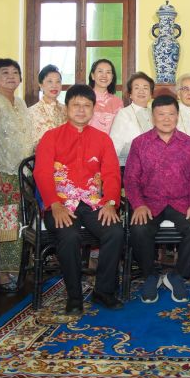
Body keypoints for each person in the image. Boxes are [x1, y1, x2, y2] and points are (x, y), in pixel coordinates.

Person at [34, 84, 124, 315]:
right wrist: (54, 204)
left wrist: (111, 202)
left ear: (93, 109)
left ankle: (103, 290)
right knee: (69, 234)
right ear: (67, 108)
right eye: (76, 105)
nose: (81, 110)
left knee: (114, 231)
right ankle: (74, 296)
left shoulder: (103, 139)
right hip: (60, 204)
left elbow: (112, 173)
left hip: (94, 202)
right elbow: (42, 173)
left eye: (87, 105)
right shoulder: (51, 137)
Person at [126, 95, 190, 303]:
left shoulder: (189, 144)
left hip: (181, 202)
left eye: (171, 114)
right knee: (139, 227)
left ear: (177, 116)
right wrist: (138, 204)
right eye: (161, 114)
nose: (166, 118)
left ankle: (177, 275)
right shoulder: (140, 143)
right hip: (150, 202)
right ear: (153, 117)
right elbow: (131, 179)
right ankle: (150, 275)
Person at [0, 58, 35, 293]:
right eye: (5, 72)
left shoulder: (20, 102)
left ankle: (18, 269)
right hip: (1, 173)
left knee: (20, 222)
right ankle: (4, 274)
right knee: (6, 223)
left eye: (15, 72)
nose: (11, 76)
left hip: (23, 174)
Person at [110, 72, 154, 169]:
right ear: (130, 94)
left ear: (151, 94)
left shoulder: (155, 114)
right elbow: (114, 145)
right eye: (137, 88)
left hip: (153, 167)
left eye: (146, 88)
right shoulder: (124, 114)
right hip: (128, 166)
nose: (141, 91)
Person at [27, 64, 67, 146]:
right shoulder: (30, 113)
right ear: (41, 85)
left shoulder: (66, 110)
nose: (54, 85)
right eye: (50, 81)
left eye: (58, 81)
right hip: (41, 156)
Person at [88, 58, 124, 135]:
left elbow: (121, 129)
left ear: (112, 77)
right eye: (100, 71)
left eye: (108, 72)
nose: (104, 75)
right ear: (93, 75)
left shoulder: (118, 102)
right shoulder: (84, 99)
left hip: (111, 145)